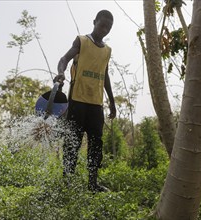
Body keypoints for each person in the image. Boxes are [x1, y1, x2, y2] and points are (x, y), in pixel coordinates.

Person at [54, 10, 116, 192]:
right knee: (72, 142)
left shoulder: (107, 51)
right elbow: (64, 59)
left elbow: (105, 75)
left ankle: (92, 183)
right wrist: (60, 72)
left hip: (96, 104)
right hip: (77, 101)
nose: (105, 29)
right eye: (102, 25)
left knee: (96, 144)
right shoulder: (82, 41)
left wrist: (112, 101)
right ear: (95, 21)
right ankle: (67, 182)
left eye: (109, 27)